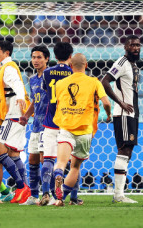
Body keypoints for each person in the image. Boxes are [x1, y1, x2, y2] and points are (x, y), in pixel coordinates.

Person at [53, 53, 111, 206]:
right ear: (86, 65)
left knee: (60, 163)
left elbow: (58, 103)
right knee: (75, 167)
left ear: (70, 66)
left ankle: (58, 175)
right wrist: (109, 114)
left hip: (66, 127)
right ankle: (61, 198)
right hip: (85, 129)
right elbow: (106, 103)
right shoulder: (94, 82)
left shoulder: (60, 83)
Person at [0, 40, 31, 204]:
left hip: (12, 115)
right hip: (16, 115)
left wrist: (21, 97)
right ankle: (26, 190)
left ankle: (22, 187)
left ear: (6, 53)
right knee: (13, 154)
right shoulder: (5, 67)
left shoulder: (8, 68)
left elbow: (18, 84)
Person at [101, 35, 141, 203]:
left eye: (138, 45)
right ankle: (118, 195)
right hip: (124, 113)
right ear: (125, 47)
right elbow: (105, 81)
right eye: (132, 45)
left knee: (128, 152)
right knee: (124, 150)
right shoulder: (122, 63)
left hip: (131, 114)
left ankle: (119, 194)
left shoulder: (133, 64)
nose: (136, 48)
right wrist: (121, 103)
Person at [38, 42, 73, 206]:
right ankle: (71, 197)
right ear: (70, 56)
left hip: (50, 122)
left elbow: (46, 91)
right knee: (71, 161)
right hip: (67, 122)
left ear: (55, 55)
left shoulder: (46, 73)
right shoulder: (73, 74)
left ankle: (45, 192)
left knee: (48, 159)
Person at [20, 45, 49, 205]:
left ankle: (50, 194)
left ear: (46, 59)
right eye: (33, 57)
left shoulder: (50, 77)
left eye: (39, 57)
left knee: (46, 160)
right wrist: (26, 115)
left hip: (48, 125)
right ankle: (33, 196)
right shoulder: (32, 79)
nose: (35, 60)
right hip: (35, 125)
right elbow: (34, 101)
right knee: (32, 159)